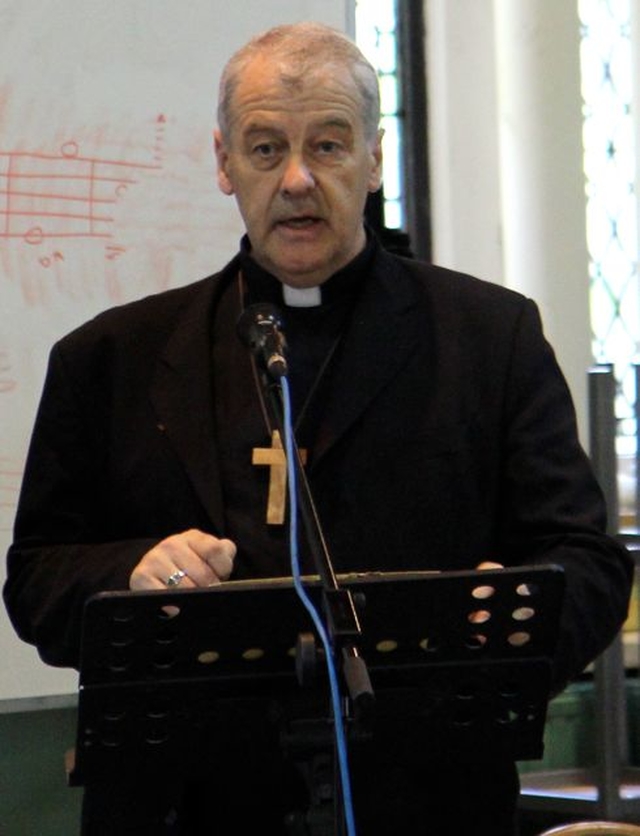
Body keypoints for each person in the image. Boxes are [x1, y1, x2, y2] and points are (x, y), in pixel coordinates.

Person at [3, 21, 633, 836]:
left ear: (374, 159)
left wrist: (507, 617)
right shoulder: (109, 358)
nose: (297, 180)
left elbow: (586, 560)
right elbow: (36, 580)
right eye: (266, 150)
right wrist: (133, 569)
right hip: (182, 804)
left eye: (328, 147)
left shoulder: (489, 338)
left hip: (425, 796)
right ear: (223, 163)